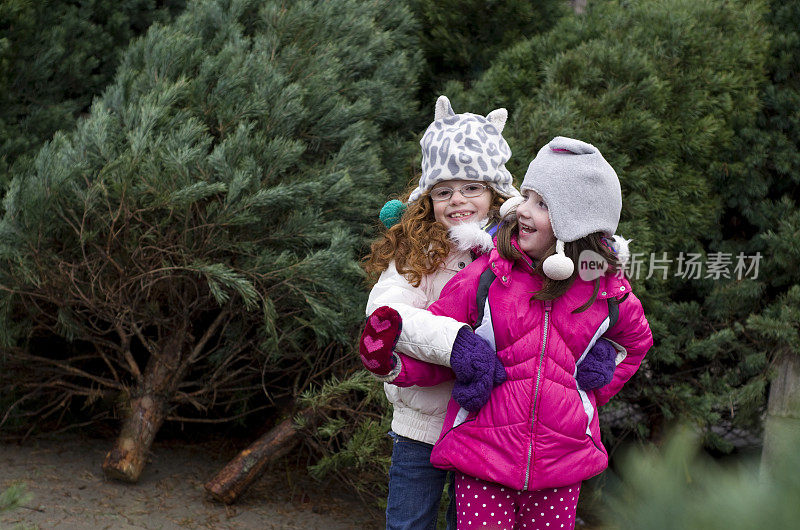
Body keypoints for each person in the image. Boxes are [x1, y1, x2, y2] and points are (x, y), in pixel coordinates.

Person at [360, 136, 653, 529]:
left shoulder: (603, 285)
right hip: (478, 446)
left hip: (559, 462)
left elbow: (633, 342)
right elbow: (435, 336)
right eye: (527, 197)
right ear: (426, 199)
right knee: (410, 521)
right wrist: (395, 363)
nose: (524, 210)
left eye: (541, 203)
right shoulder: (488, 272)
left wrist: (589, 388)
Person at [362, 94, 519, 530]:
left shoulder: (516, 255)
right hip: (420, 424)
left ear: (495, 193)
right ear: (427, 198)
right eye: (444, 191)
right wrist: (455, 343)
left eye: (472, 188)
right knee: (408, 522)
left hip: (486, 421)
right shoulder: (420, 252)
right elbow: (387, 311)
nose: (458, 201)